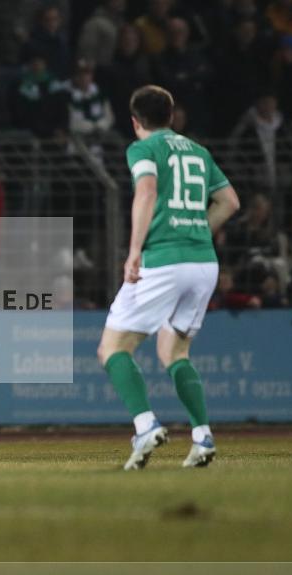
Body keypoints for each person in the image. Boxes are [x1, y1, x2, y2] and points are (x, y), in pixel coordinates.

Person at [96, 85, 240, 471]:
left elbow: (146, 191)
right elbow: (229, 201)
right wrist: (197, 232)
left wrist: (134, 251)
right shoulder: (198, 151)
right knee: (174, 352)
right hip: (203, 264)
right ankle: (202, 435)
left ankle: (145, 426)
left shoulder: (143, 148)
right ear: (172, 116)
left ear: (135, 121)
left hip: (162, 260)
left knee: (112, 348)